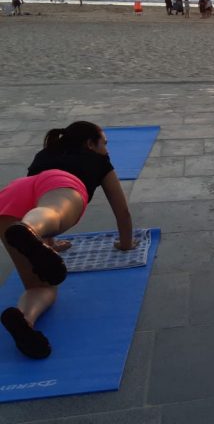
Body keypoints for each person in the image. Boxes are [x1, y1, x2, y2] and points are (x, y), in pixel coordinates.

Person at [1, 121, 136, 359]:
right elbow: (122, 211)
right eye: (104, 143)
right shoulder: (99, 161)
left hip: (10, 195)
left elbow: (34, 195)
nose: (106, 149)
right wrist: (126, 244)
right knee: (52, 213)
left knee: (40, 286)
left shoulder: (45, 153)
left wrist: (49, 245)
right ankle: (29, 228)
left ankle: (25, 320)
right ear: (90, 144)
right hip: (59, 185)